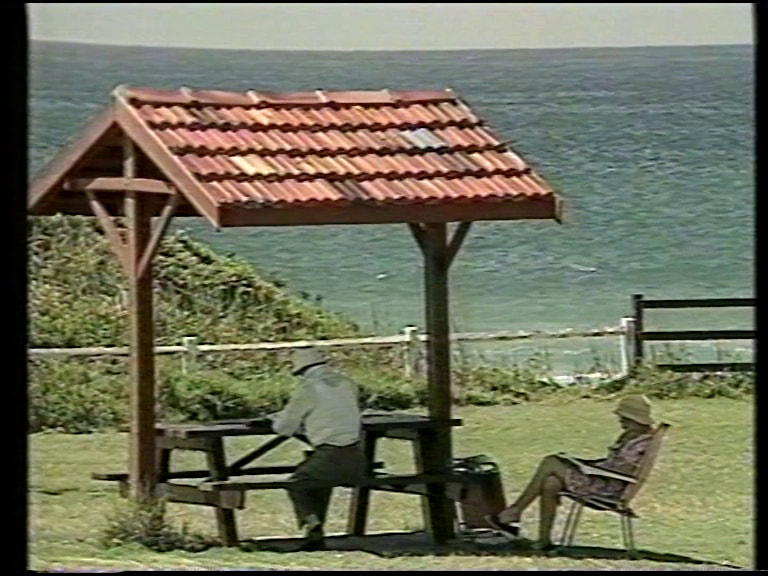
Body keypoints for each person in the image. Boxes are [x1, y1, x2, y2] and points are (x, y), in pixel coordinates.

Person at [485, 394, 656, 551]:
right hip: (603, 480)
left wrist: (586, 468)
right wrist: (580, 463)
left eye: (625, 419)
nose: (621, 422)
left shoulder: (640, 443)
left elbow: (620, 471)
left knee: (550, 461)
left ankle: (515, 511)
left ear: (636, 419)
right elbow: (612, 465)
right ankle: (543, 540)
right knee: (551, 482)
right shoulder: (633, 436)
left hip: (606, 488)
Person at [270, 347, 366, 551]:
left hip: (330, 454)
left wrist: (274, 419)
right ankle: (315, 534)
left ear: (300, 370)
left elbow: (283, 428)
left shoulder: (308, 389)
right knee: (317, 481)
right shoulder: (347, 383)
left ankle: (312, 522)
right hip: (357, 457)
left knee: (298, 483)